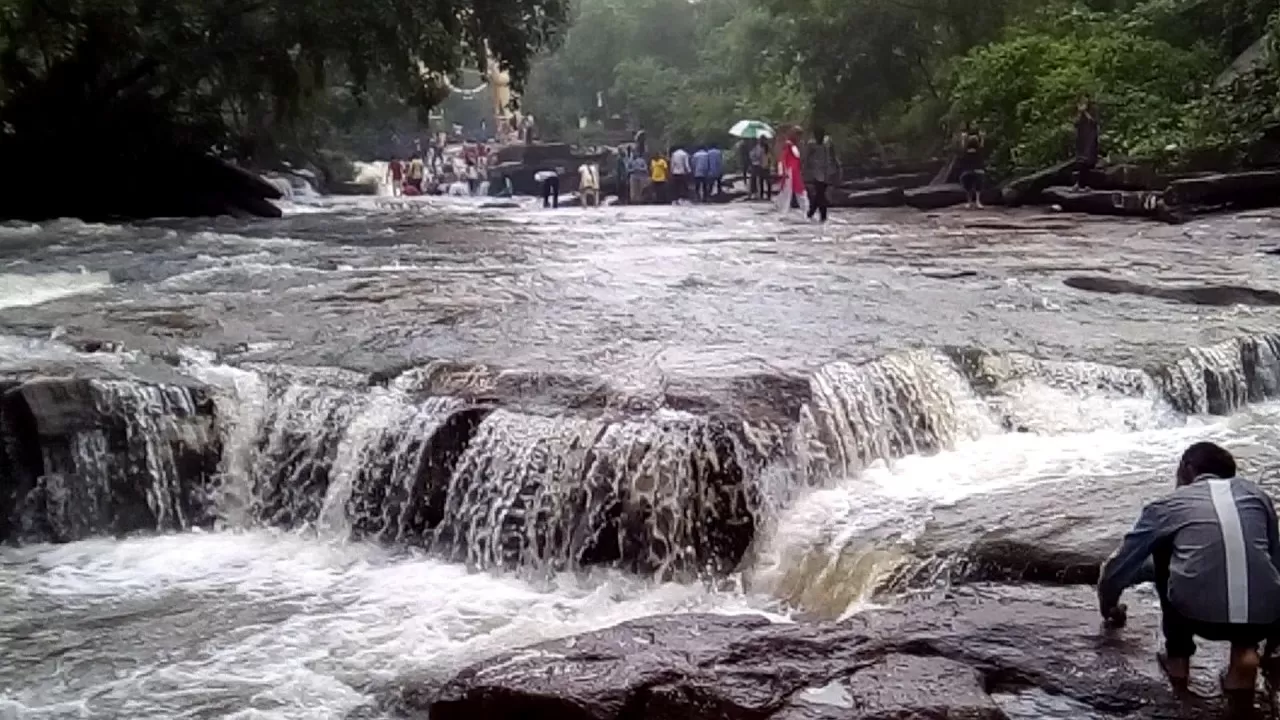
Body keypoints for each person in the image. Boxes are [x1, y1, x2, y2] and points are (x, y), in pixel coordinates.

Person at [1098, 442, 1280, 695]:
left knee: (1163, 550)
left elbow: (1121, 564)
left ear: (1187, 469)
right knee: (1256, 559)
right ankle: (1245, 653)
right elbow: (1275, 559)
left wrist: (1108, 605)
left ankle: (1178, 659)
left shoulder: (1167, 504)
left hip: (1198, 616)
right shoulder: (1257, 496)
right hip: (1263, 617)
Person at [802, 128, 839, 222]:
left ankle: (812, 212)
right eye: (818, 136)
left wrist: (836, 165)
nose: (819, 137)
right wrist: (805, 169)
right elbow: (807, 157)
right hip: (816, 171)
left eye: (821, 135)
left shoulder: (827, 142)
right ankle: (820, 215)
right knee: (820, 193)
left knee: (820, 194)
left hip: (827, 170)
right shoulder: (812, 144)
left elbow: (833, 154)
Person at [776, 129, 807, 215]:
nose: (799, 138)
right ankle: (782, 210)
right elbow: (783, 159)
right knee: (789, 192)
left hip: (794, 172)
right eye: (798, 135)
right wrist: (783, 172)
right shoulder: (789, 145)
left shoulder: (793, 145)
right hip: (790, 172)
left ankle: (805, 210)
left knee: (796, 192)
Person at [1074, 97, 1100, 190]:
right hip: (1082, 139)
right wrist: (1080, 112)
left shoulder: (1093, 111)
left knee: (1089, 161)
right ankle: (1080, 184)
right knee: (1081, 162)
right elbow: (1076, 122)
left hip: (1090, 139)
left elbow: (1094, 122)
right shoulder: (1079, 113)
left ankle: (1086, 184)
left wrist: (1085, 112)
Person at [958, 123, 986, 209]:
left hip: (975, 171)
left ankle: (974, 201)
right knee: (968, 178)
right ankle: (973, 202)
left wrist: (982, 137)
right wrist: (982, 137)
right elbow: (963, 146)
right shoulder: (967, 151)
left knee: (976, 177)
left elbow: (981, 145)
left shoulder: (976, 150)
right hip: (969, 171)